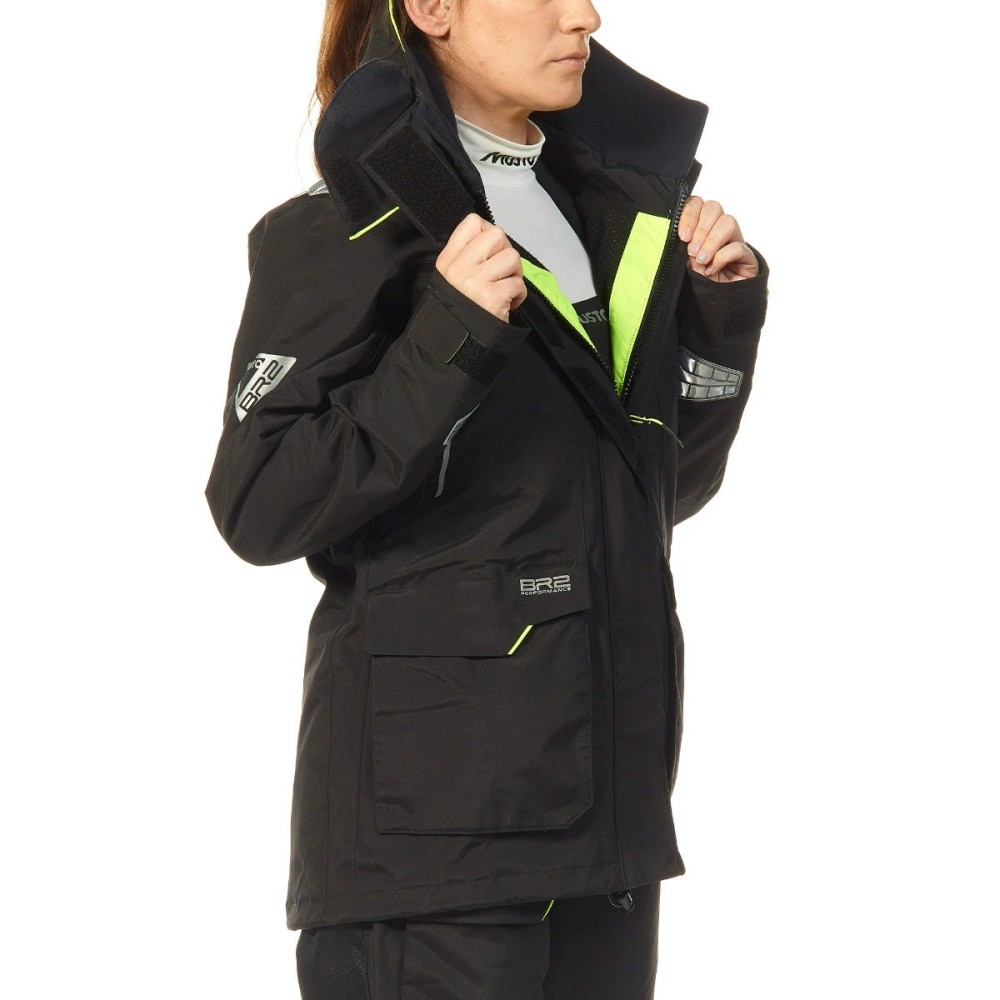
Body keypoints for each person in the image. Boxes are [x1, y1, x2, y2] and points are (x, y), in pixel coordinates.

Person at [204, 0, 769, 996]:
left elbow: (652, 495)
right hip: (431, 852)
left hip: (606, 825)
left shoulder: (607, 216)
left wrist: (717, 317)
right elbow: (260, 502)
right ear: (433, 10)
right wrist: (451, 333)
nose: (584, 16)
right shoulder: (349, 222)